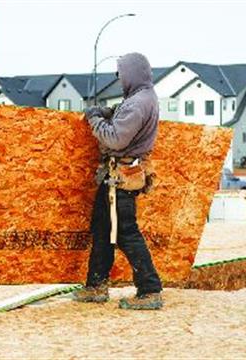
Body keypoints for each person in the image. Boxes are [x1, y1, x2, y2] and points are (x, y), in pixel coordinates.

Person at [73, 53, 163, 310]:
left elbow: (115, 139)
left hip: (121, 179)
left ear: (132, 74)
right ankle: (96, 286)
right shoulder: (141, 98)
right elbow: (123, 118)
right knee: (102, 229)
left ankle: (150, 289)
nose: (119, 78)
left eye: (121, 73)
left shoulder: (138, 103)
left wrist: (95, 119)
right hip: (115, 177)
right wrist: (109, 111)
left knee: (126, 233)